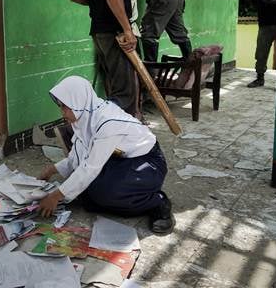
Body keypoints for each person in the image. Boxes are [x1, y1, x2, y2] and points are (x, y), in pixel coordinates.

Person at [37, 76, 175, 234]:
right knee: (89, 195)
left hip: (147, 162)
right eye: (61, 107)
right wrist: (50, 170)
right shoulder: (84, 117)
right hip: (120, 158)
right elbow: (78, 157)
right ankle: (120, 196)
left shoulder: (107, 122)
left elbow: (91, 167)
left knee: (108, 194)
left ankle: (157, 203)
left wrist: (56, 196)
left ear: (78, 102)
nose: (62, 112)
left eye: (66, 107)